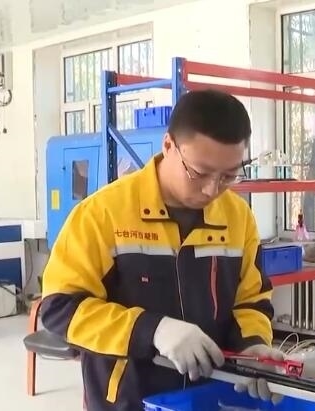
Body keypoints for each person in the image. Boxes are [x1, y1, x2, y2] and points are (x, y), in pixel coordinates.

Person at [41, 89, 285, 410]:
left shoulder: (237, 218)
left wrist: (252, 346)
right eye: (199, 173)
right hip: (127, 401)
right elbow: (60, 308)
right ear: (168, 145)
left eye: (229, 175)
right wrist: (152, 330)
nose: (212, 189)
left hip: (208, 398)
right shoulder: (103, 214)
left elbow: (251, 301)